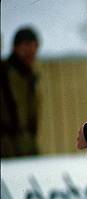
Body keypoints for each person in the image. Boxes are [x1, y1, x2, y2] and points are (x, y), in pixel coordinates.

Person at [0, 27, 41, 157]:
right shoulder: (5, 73)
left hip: (26, 144)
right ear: (15, 48)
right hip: (7, 146)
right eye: (26, 46)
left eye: (34, 46)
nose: (31, 51)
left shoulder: (31, 76)